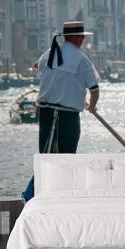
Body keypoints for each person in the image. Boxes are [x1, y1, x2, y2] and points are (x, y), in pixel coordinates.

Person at [34, 21, 100, 154]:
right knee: (67, 158)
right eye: (82, 37)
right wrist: (92, 107)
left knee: (45, 158)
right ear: (77, 38)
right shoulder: (82, 59)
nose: (83, 40)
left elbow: (37, 66)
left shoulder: (50, 52)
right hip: (68, 117)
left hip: (45, 113)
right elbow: (94, 90)